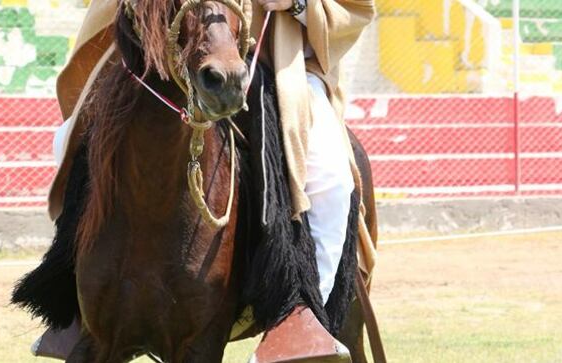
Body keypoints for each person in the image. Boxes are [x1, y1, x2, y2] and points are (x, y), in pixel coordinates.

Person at [47, 0, 376, 361]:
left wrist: (297, 4)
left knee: (331, 177)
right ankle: (75, 296)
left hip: (280, 65)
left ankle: (305, 315)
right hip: (170, 52)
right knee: (70, 138)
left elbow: (356, 7)